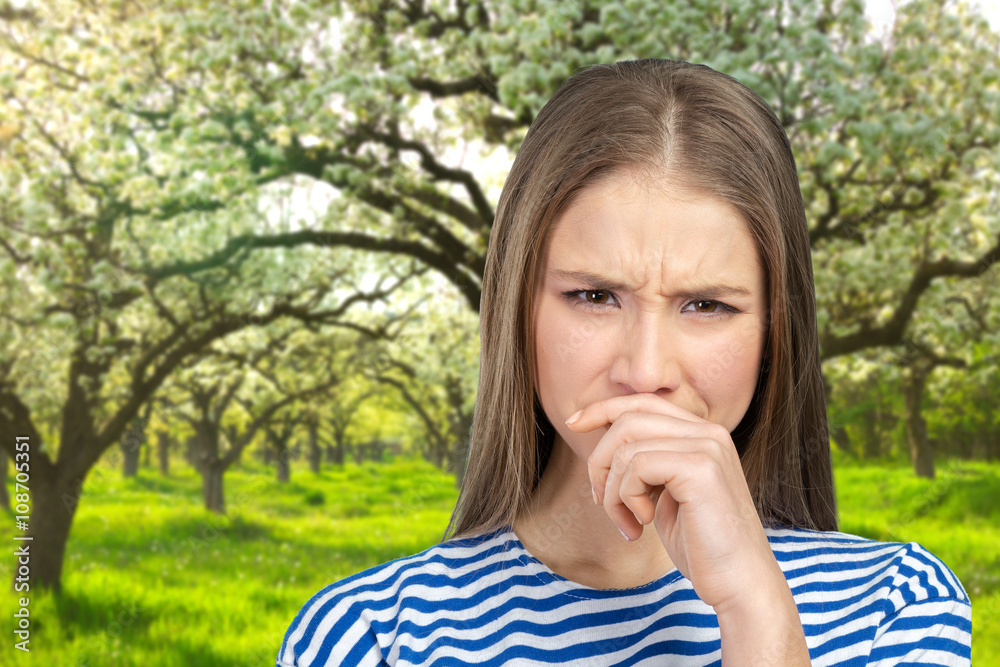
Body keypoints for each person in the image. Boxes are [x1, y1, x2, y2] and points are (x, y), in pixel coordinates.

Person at [277, 59, 971, 666]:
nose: (645, 371)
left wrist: (756, 609)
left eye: (705, 305)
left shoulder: (894, 607)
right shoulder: (371, 637)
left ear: (773, 332)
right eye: (595, 295)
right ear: (518, 311)